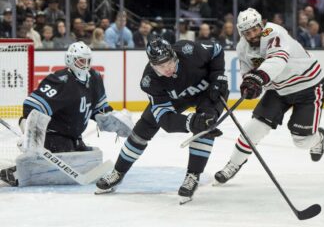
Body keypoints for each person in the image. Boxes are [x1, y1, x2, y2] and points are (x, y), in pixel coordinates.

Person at [96, 36, 229, 203]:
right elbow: (166, 121)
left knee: (205, 123)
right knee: (144, 127)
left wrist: (218, 76)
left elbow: (217, 49)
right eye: (160, 66)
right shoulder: (150, 81)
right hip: (178, 98)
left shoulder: (189, 50)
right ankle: (118, 172)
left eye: (169, 63)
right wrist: (191, 122)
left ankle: (193, 175)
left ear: (175, 55)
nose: (167, 69)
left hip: (209, 90)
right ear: (152, 65)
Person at [214, 8, 324, 185]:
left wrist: (258, 78)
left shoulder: (274, 32)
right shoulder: (242, 47)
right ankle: (233, 164)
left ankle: (318, 137)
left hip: (308, 86)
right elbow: (248, 73)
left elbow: (277, 59)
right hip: (279, 90)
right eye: (247, 32)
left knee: (301, 141)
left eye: (254, 29)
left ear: (262, 25)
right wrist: (251, 87)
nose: (252, 35)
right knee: (253, 128)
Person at [0, 41, 133, 187]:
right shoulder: (60, 81)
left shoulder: (94, 77)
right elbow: (32, 106)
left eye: (88, 60)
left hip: (74, 137)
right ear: (70, 60)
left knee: (86, 157)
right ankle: (15, 173)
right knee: (67, 152)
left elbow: (100, 109)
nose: (85, 64)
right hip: (51, 135)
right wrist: (29, 133)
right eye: (81, 60)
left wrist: (110, 119)